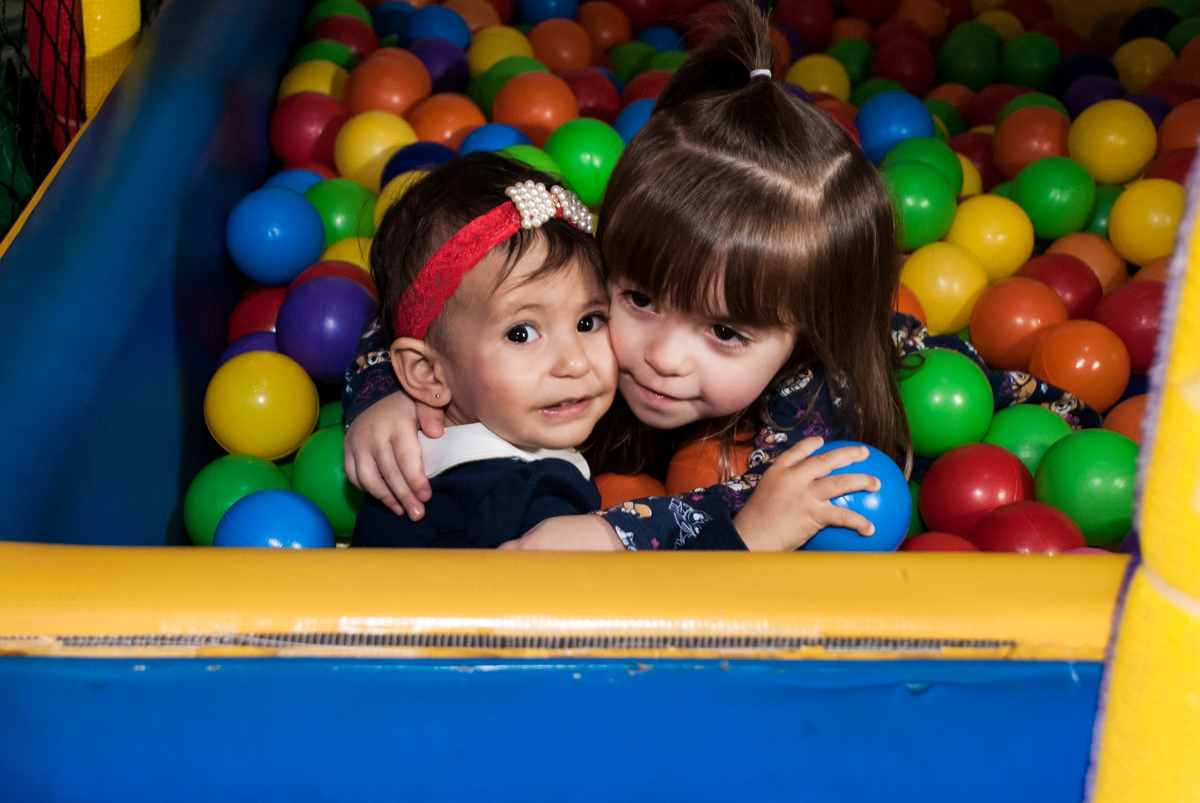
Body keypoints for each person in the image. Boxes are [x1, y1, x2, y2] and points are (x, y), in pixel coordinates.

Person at [343, 0, 1099, 552]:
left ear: (801, 334)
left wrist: (614, 536)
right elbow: (455, 289)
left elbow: (752, 507)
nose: (665, 356)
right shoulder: (586, 299)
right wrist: (383, 393)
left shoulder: (812, 403)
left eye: (726, 332)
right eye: (637, 299)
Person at [349, 152, 618, 548]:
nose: (575, 362)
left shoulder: (434, 467)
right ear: (426, 372)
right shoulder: (532, 495)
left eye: (588, 322)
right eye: (521, 333)